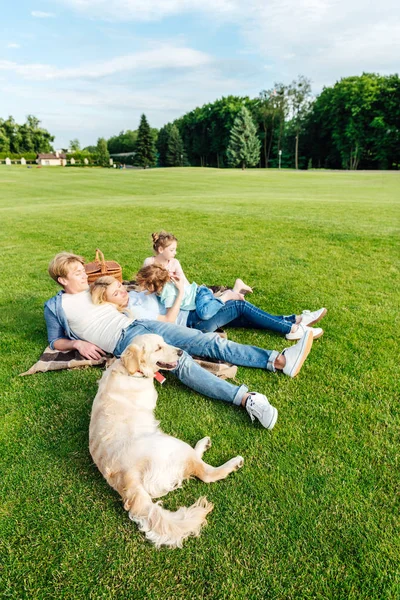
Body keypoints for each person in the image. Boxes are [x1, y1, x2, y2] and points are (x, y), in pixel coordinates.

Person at [44, 253, 316, 431]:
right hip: (127, 342)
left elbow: (118, 294)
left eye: (83, 269)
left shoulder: (95, 289)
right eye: (77, 272)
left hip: (140, 324)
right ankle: (247, 400)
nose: (84, 274)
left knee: (205, 342)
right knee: (181, 361)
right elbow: (55, 341)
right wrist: (77, 345)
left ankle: (279, 361)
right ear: (61, 279)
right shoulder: (56, 307)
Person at [142, 230, 326, 340]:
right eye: (171, 250)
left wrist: (181, 285)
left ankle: (295, 324)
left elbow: (186, 287)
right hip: (193, 316)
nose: (174, 253)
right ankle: (294, 323)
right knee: (239, 309)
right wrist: (177, 290)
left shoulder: (172, 267)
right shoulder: (150, 272)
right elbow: (152, 290)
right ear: (160, 250)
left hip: (196, 302)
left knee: (239, 309)